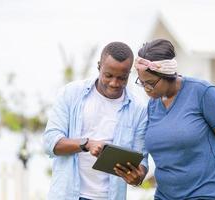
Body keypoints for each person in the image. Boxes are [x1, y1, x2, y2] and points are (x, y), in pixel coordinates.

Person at [134, 39, 215, 200]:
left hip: (207, 193)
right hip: (165, 195)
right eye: (141, 83)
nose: (146, 88)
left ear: (167, 74)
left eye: (150, 83)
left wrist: (207, 172)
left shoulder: (203, 93)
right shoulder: (152, 106)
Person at [43, 41, 148, 200]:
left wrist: (137, 177)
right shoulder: (70, 93)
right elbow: (50, 143)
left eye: (122, 78)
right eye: (108, 75)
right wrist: (86, 144)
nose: (114, 83)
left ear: (129, 73)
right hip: (67, 195)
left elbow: (142, 160)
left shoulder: (139, 109)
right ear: (99, 67)